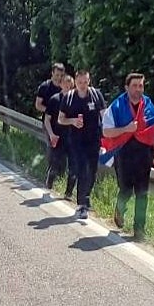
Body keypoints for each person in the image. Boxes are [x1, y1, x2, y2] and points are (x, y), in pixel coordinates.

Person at [101, 73, 154, 241]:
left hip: (143, 153)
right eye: (134, 86)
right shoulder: (117, 106)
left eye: (141, 86)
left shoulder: (148, 105)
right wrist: (126, 129)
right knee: (126, 190)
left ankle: (139, 229)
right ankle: (120, 209)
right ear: (127, 87)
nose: (138, 89)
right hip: (124, 152)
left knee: (142, 193)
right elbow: (106, 131)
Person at [59, 70, 106, 219]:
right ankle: (82, 204)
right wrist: (72, 121)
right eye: (80, 82)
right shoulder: (69, 97)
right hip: (76, 141)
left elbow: (104, 116)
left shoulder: (96, 95)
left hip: (94, 139)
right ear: (75, 82)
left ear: (89, 81)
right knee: (81, 171)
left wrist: (106, 139)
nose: (83, 85)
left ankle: (86, 197)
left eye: (85, 82)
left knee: (92, 172)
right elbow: (61, 119)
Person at [43, 74, 76, 199]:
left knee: (74, 167)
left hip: (73, 139)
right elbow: (47, 119)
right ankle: (50, 182)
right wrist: (51, 134)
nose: (68, 88)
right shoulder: (55, 99)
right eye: (65, 85)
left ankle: (68, 193)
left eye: (70, 86)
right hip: (58, 136)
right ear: (61, 85)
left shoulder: (76, 101)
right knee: (55, 165)